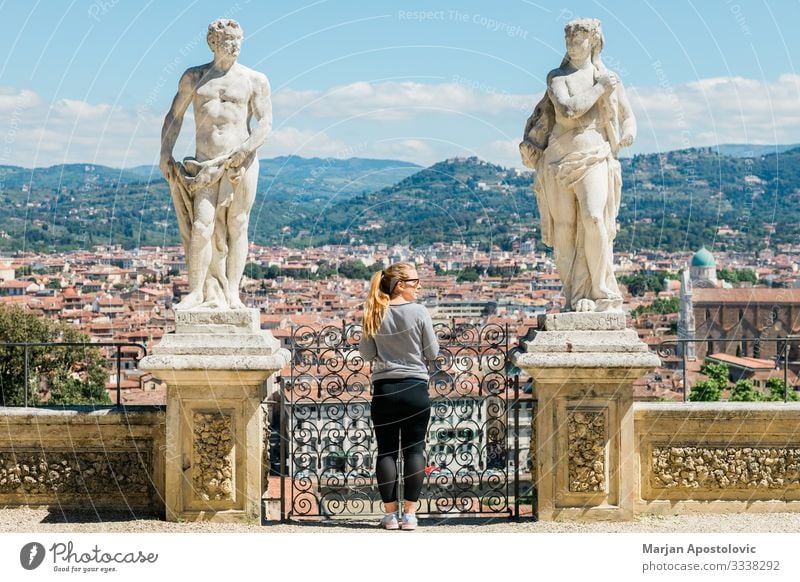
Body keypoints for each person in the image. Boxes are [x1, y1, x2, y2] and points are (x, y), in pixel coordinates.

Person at [519, 17, 636, 313]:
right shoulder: (557, 77)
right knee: (565, 228)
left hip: (595, 155)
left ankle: (600, 291)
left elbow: (627, 115)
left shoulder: (611, 78)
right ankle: (575, 294)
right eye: (568, 39)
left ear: (594, 41)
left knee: (595, 218)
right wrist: (599, 89)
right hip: (557, 160)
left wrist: (630, 131)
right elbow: (568, 110)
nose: (572, 44)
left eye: (578, 39)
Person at [160, 19, 272, 310]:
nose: (233, 46)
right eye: (226, 41)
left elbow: (265, 124)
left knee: (238, 224)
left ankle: (232, 292)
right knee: (201, 226)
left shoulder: (254, 79)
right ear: (213, 43)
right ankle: (197, 291)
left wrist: (245, 149)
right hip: (204, 164)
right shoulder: (195, 77)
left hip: (241, 162)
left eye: (237, 40)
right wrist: (165, 152)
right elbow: (174, 115)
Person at [358, 262, 439, 530]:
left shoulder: (374, 311)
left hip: (384, 390)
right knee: (415, 449)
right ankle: (410, 515)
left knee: (386, 452)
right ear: (400, 285)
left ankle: (391, 516)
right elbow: (432, 352)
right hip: (415, 388)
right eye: (416, 281)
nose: (420, 286)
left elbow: (367, 354)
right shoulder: (419, 312)